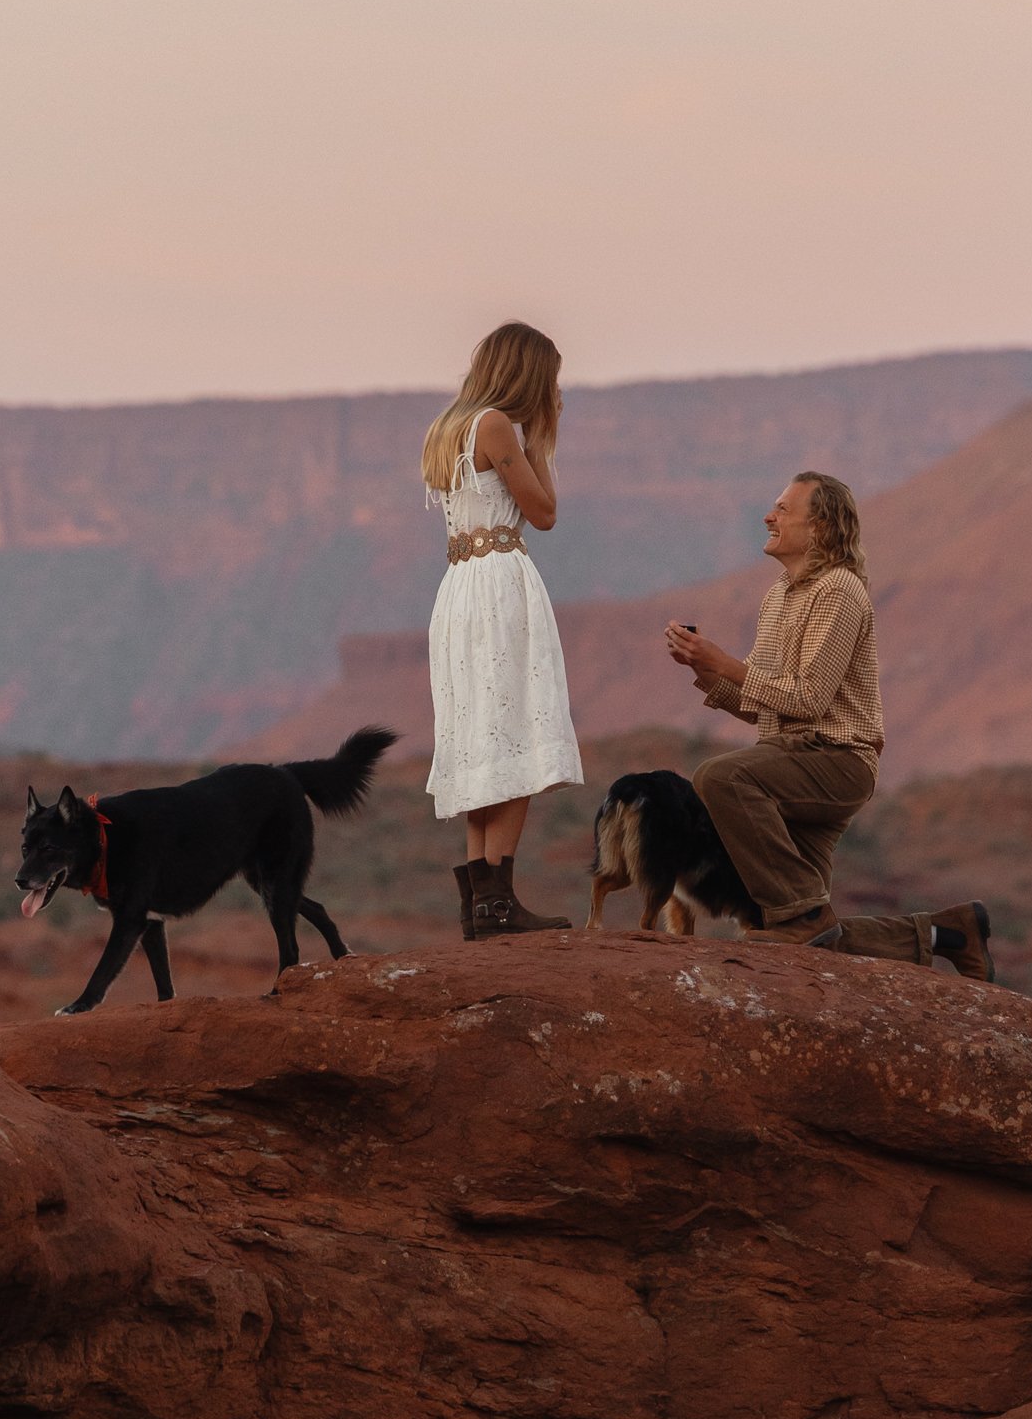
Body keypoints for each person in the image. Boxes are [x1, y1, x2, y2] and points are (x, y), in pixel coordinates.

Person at [664, 472, 991, 977]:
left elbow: (809, 700)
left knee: (719, 778)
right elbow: (767, 707)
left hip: (834, 759)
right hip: (789, 762)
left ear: (819, 527)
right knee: (802, 935)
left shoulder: (839, 590)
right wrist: (704, 669)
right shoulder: (779, 596)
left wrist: (727, 664)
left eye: (782, 509)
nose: (768, 517)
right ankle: (949, 933)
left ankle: (801, 914)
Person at [422, 321, 584, 939]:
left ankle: (480, 902)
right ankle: (497, 900)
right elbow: (543, 513)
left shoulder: (447, 427)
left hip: (460, 587)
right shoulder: (495, 426)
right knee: (514, 728)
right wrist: (543, 436)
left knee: (478, 735)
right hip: (499, 584)